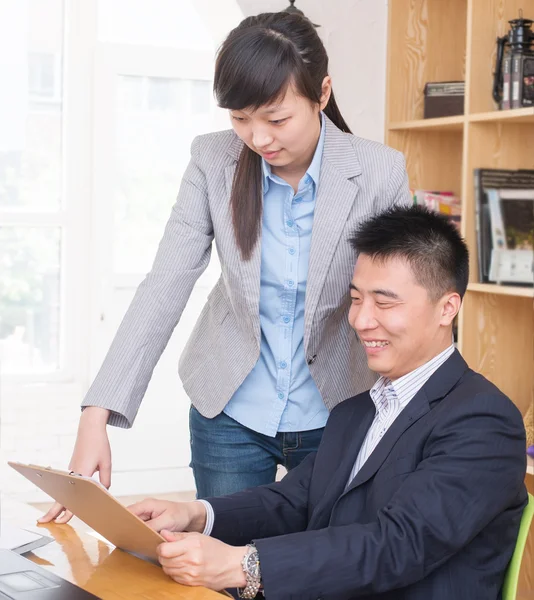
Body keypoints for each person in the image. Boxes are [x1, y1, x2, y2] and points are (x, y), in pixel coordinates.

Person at [40, 11, 410, 524]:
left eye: (276, 118)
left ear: (322, 94)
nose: (258, 138)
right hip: (230, 411)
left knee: (325, 567)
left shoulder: (379, 170)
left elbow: (403, 301)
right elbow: (165, 283)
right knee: (222, 567)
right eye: (240, 118)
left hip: (339, 410)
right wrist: (95, 414)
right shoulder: (213, 161)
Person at [128, 206, 528, 600]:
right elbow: (295, 501)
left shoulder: (483, 420)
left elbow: (400, 545)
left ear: (447, 308)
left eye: (384, 303)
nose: (361, 319)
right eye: (356, 298)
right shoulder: (356, 411)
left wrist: (244, 565)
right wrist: (195, 515)